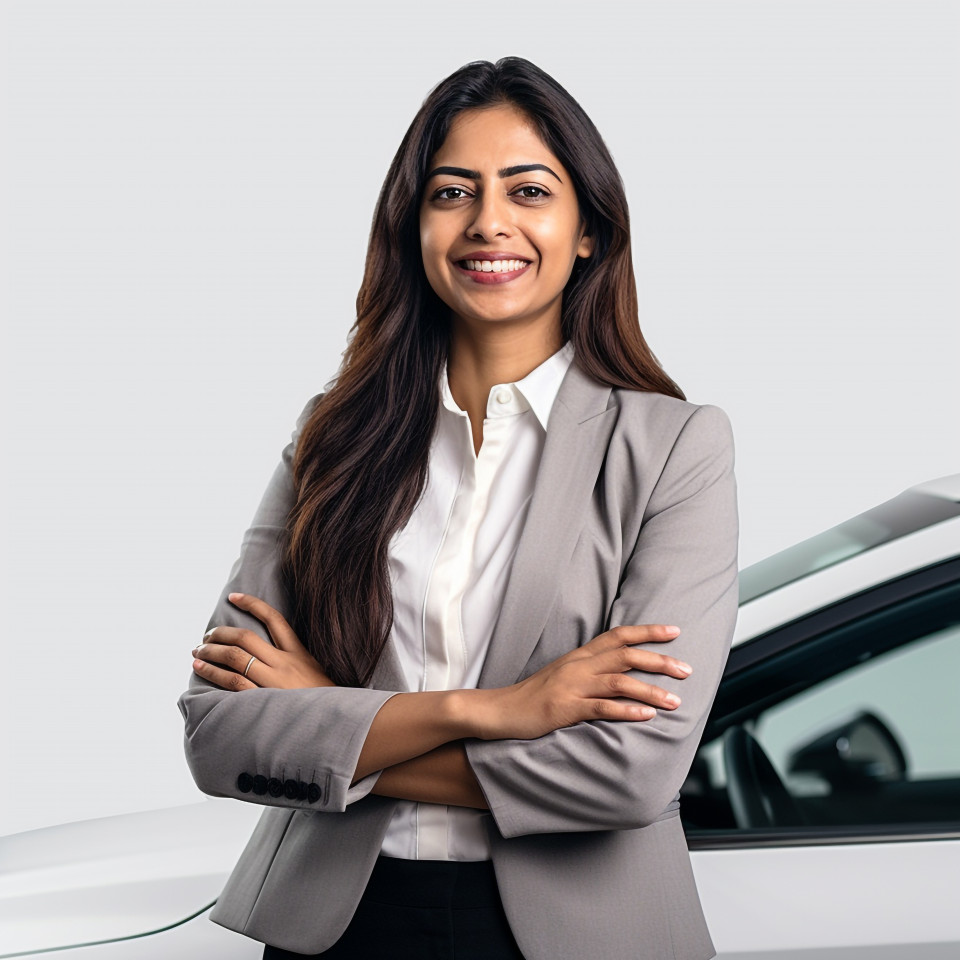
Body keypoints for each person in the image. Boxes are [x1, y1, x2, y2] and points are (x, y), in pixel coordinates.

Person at [178, 56, 739, 960]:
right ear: (414, 227)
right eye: (452, 192)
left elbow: (629, 773)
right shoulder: (332, 438)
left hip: (579, 933)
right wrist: (499, 710)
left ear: (588, 231)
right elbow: (221, 734)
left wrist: (331, 720)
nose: (489, 222)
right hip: (338, 928)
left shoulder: (674, 449)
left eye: (529, 191)